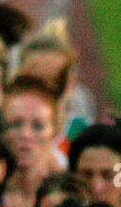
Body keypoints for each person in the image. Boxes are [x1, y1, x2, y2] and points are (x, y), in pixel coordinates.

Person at [16, 19, 96, 151]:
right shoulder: (5, 129)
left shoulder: (83, 135)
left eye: (56, 79)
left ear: (70, 82)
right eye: (38, 80)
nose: (47, 88)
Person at [0, 75, 68, 207]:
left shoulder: (70, 196)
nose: (25, 135)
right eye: (15, 124)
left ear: (54, 132)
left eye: (38, 126)